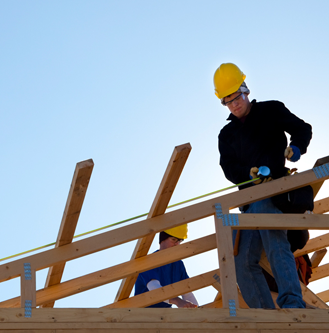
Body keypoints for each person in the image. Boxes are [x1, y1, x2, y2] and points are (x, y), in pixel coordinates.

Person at [214, 62, 311, 309]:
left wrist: (296, 148)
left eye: (237, 97)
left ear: (245, 90)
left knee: (275, 243)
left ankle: (291, 304)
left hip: (273, 193)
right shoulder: (227, 135)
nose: (234, 104)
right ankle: (265, 315)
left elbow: (302, 129)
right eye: (227, 101)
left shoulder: (271, 110)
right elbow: (228, 168)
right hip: (247, 204)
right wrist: (247, 173)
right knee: (241, 261)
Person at [133, 225, 199, 308]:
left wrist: (199, 314)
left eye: (179, 241)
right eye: (173, 239)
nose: (177, 244)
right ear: (162, 240)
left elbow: (187, 294)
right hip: (142, 316)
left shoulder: (178, 265)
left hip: (164, 317)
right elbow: (155, 288)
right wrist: (177, 301)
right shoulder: (148, 261)